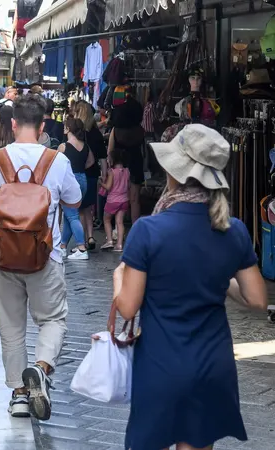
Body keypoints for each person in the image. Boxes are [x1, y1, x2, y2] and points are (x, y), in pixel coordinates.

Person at [114, 124, 268, 450]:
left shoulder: (147, 230)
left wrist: (118, 278)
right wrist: (219, 280)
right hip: (213, 364)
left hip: (160, 364)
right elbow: (257, 299)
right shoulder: (234, 229)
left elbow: (127, 308)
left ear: (175, 170)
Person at [0, 94, 82, 420]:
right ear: (42, 126)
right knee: (53, 319)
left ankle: (18, 395)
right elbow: (74, 201)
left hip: (5, 255)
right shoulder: (57, 161)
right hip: (47, 255)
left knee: (11, 326)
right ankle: (41, 369)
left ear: (13, 124)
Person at [58, 118, 95, 261]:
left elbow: (56, 165)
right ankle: (62, 247)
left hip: (68, 181)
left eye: (65, 126)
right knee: (70, 214)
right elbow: (91, 161)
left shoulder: (63, 147)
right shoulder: (85, 146)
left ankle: (81, 248)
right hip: (82, 179)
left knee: (72, 216)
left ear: (69, 129)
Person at [72, 101, 107, 249]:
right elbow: (103, 156)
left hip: (79, 173)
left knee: (80, 208)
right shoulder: (96, 133)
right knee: (89, 208)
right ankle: (90, 237)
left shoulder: (77, 134)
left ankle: (82, 242)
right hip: (93, 174)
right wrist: (104, 174)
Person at [108, 92, 144, 223]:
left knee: (120, 198)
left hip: (120, 166)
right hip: (136, 163)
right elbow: (144, 150)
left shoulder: (116, 130)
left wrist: (109, 167)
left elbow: (110, 151)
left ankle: (120, 227)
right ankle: (135, 226)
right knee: (135, 199)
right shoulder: (140, 130)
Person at [100, 148, 129, 251]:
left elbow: (108, 187)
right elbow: (128, 186)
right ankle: (119, 245)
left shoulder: (112, 172)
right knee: (119, 222)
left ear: (113, 160)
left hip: (113, 200)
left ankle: (109, 241)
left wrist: (101, 183)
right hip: (124, 200)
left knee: (106, 219)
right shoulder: (127, 171)